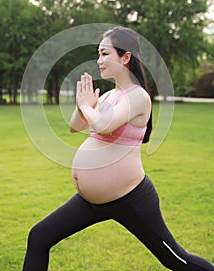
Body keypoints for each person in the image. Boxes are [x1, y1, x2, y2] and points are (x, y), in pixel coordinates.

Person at [22, 26, 214, 270]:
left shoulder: (137, 97)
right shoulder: (109, 95)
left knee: (177, 260)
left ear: (126, 57)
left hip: (131, 200)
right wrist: (84, 105)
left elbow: (103, 125)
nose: (98, 59)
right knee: (39, 237)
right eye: (98, 54)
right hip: (91, 201)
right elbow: (73, 126)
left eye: (105, 53)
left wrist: (88, 108)